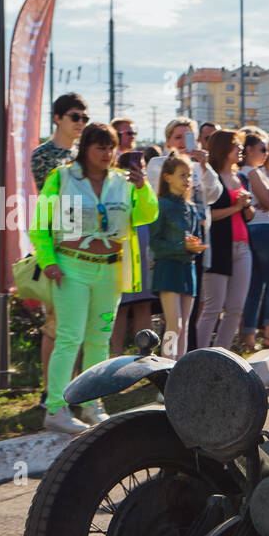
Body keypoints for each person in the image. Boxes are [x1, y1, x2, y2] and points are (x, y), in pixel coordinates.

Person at [30, 121, 158, 432]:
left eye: (111, 146)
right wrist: (48, 261)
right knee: (69, 337)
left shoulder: (123, 181)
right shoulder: (61, 178)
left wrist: (143, 187)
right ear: (85, 148)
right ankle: (56, 409)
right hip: (71, 267)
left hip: (111, 270)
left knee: (98, 340)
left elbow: (147, 215)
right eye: (100, 146)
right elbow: (40, 224)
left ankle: (91, 404)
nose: (107, 152)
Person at [31, 93, 88, 399]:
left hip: (88, 246)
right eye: (75, 117)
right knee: (56, 322)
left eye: (84, 119)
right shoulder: (44, 154)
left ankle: (73, 386)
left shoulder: (85, 153)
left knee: (78, 322)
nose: (81, 123)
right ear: (58, 118)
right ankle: (50, 390)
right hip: (58, 245)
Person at [196, 129, 255, 350]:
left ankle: (221, 354)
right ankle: (199, 356)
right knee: (213, 307)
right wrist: (236, 207)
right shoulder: (210, 178)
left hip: (243, 247)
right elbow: (207, 215)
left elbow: (249, 216)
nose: (240, 149)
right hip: (218, 247)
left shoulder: (241, 178)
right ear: (223, 149)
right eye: (236, 145)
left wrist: (246, 205)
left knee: (235, 308)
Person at [149, 153, 208, 359]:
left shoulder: (191, 208)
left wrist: (195, 245)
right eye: (182, 175)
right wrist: (181, 246)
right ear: (167, 177)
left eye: (190, 175)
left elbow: (197, 237)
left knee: (185, 326)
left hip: (188, 268)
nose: (187, 180)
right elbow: (155, 242)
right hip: (168, 269)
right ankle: (166, 370)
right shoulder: (161, 204)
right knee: (175, 323)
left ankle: (179, 371)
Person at [238, 128, 269, 352]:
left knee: (255, 286)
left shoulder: (244, 172)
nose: (266, 154)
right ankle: (268, 332)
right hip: (265, 229)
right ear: (249, 150)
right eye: (262, 149)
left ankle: (248, 336)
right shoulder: (252, 172)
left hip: (252, 229)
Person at [109, 116, 153, 356]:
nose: (130, 137)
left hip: (142, 239)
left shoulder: (141, 166)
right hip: (120, 240)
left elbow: (151, 206)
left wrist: (142, 183)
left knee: (143, 301)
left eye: (133, 133)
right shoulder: (106, 166)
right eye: (125, 133)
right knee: (121, 304)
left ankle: (145, 355)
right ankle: (115, 356)